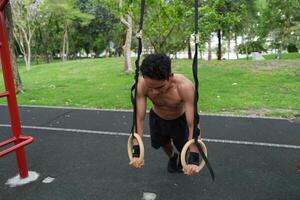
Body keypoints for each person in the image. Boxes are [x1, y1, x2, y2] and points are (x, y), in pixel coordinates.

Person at [129, 53, 201, 176]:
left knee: (185, 147)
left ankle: (183, 159)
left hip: (180, 120)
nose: (155, 92)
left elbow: (193, 124)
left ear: (170, 77)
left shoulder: (184, 87)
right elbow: (138, 119)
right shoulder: (141, 85)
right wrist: (136, 152)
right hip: (158, 118)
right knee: (163, 143)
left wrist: (193, 159)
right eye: (150, 87)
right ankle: (173, 157)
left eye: (160, 87)